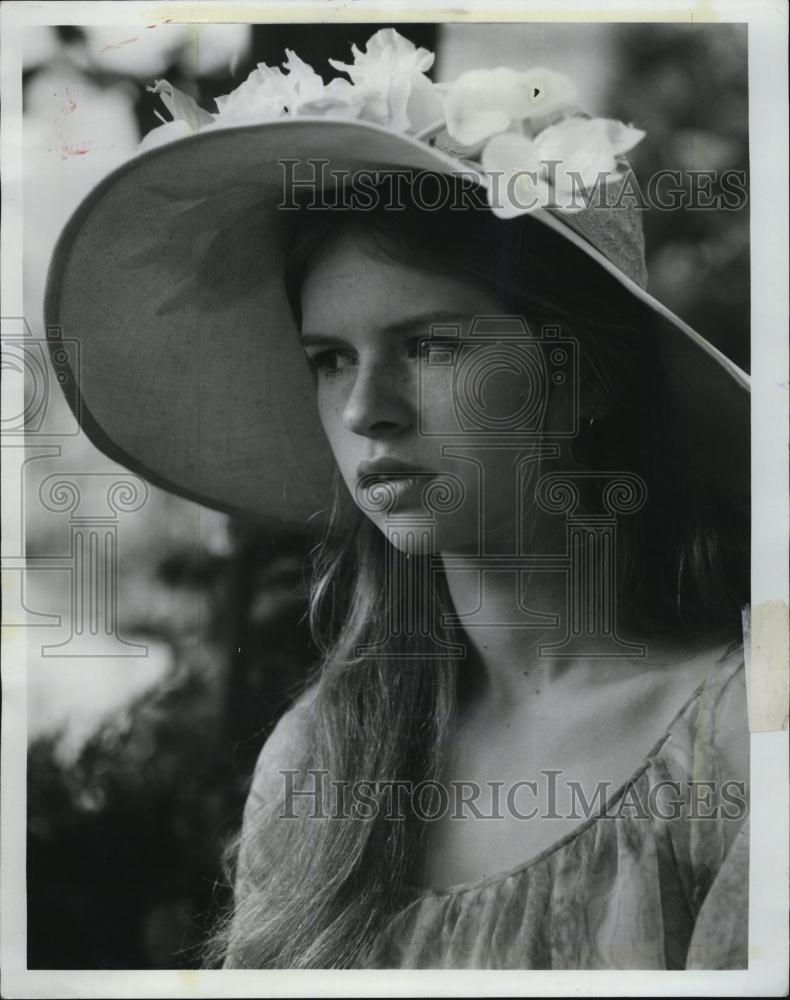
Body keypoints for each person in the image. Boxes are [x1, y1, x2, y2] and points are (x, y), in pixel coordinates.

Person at [45, 29, 750, 970]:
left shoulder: (738, 742)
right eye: (331, 359)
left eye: (430, 346)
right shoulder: (320, 763)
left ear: (579, 382)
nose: (368, 412)